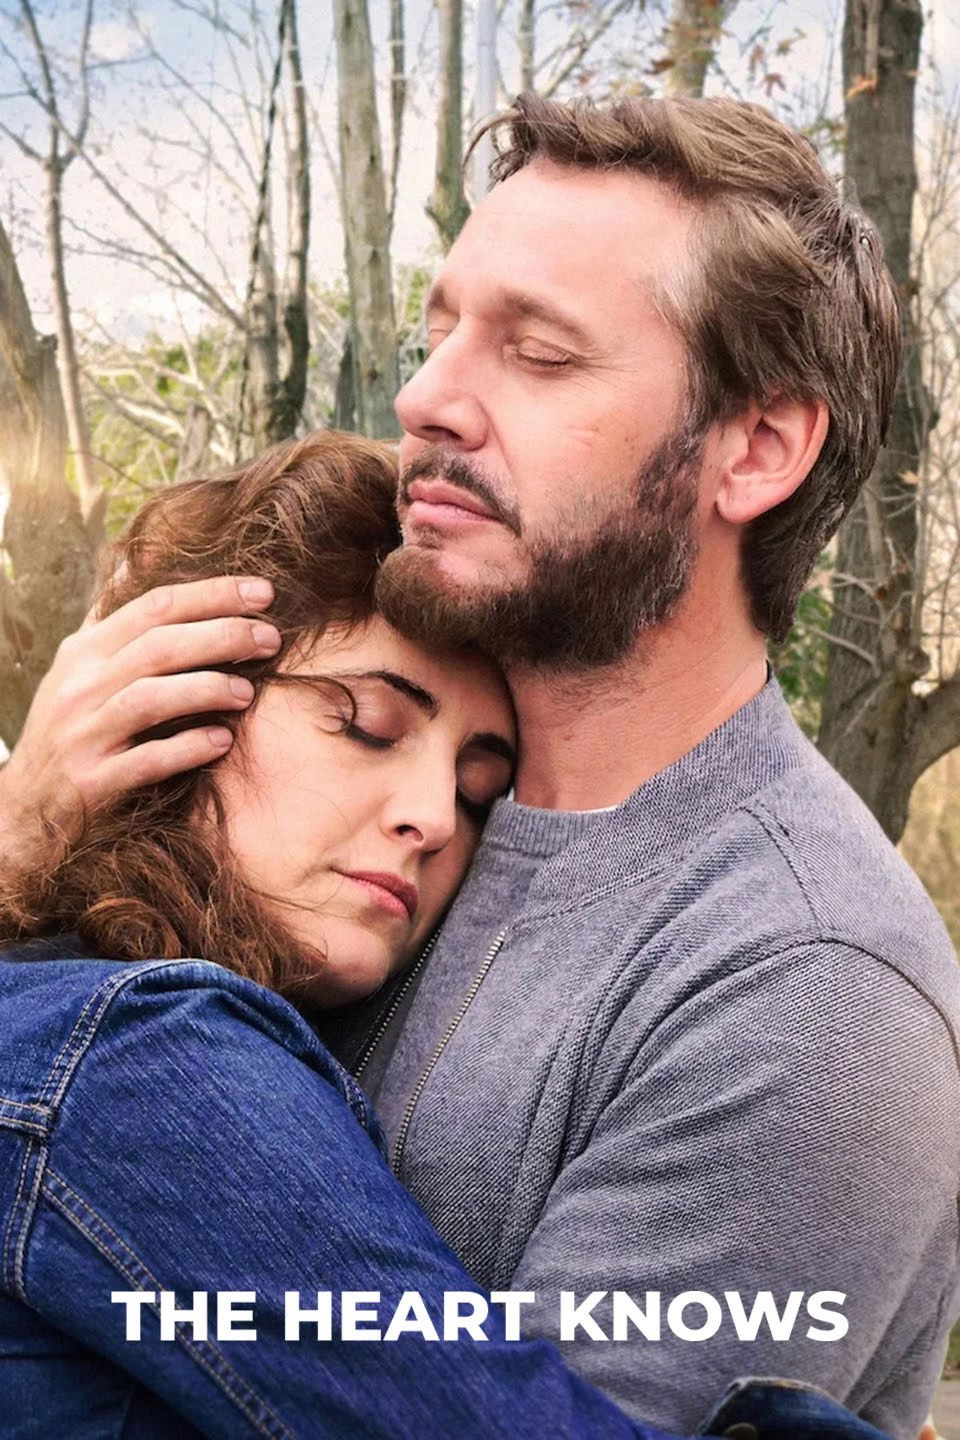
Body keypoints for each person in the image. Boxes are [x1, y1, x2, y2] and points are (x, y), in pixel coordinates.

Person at [2, 93, 958, 1440]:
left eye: (539, 353)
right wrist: (26, 846)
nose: (427, 397)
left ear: (755, 449)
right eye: (436, 331)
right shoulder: (311, 857)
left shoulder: (799, 978)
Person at [0, 430, 889, 1440]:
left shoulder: (53, 1017)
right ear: (161, 707)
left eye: (477, 793)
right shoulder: (144, 1051)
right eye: (368, 726)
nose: (430, 817)